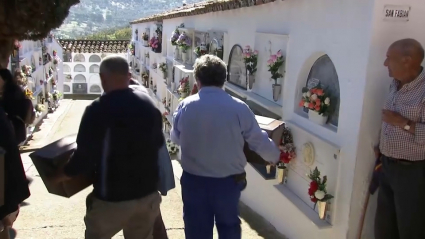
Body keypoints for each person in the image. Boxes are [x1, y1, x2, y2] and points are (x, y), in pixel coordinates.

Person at [50, 55, 164, 239]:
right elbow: (158, 143)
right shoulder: (148, 105)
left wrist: (60, 175)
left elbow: (84, 158)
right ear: (128, 75)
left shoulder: (97, 110)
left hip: (112, 199)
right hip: (147, 196)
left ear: (102, 77)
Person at [170, 54, 280, 239]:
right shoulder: (239, 108)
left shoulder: (185, 106)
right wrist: (276, 157)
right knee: (229, 228)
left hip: (194, 182)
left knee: (196, 230)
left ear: (197, 79)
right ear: (224, 79)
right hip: (227, 183)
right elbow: (257, 140)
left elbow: (176, 138)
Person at [374, 38, 425, 239]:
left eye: (389, 58)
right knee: (384, 228)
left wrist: (402, 122)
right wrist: (382, 144)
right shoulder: (395, 84)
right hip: (387, 165)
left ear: (407, 60)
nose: (385, 64)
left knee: (410, 229)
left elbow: (396, 120)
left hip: (412, 173)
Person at [0, 69, 35, 145]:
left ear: (4, 79)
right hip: (17, 132)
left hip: (12, 132)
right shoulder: (15, 89)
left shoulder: (10, 93)